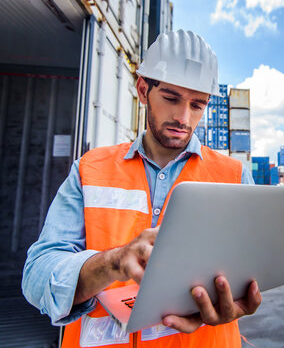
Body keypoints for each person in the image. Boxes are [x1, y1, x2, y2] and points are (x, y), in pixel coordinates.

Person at [22, 29, 262, 347]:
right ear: (142, 88)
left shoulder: (234, 176)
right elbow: (37, 276)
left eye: (197, 105)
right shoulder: (90, 170)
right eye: (171, 98)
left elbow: (251, 271)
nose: (183, 117)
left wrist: (235, 300)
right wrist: (114, 262)